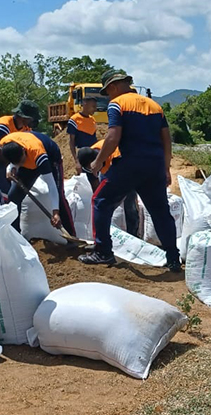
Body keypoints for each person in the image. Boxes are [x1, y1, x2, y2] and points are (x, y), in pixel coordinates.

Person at [80, 69, 180, 271]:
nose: (108, 96)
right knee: (160, 212)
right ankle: (173, 259)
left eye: (108, 92)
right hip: (154, 167)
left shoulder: (117, 104)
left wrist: (98, 161)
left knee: (100, 201)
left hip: (128, 165)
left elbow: (113, 137)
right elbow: (166, 140)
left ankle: (103, 252)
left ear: (113, 86)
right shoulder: (154, 106)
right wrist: (166, 167)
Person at [0, 131, 76, 237]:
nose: (22, 164)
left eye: (22, 161)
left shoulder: (39, 156)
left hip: (51, 158)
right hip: (29, 159)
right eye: (19, 163)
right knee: (14, 197)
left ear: (23, 150)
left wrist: (55, 212)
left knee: (59, 196)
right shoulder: (4, 144)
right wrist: (10, 168)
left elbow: (51, 185)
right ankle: (14, 236)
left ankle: (71, 236)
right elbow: (11, 162)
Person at [0, 101, 39, 204]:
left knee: (12, 189)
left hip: (7, 160)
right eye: (30, 118)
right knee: (3, 190)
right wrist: (12, 165)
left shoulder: (25, 128)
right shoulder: (3, 125)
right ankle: (5, 214)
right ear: (22, 117)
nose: (32, 121)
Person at [78, 142, 139, 237]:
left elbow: (124, 180)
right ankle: (105, 234)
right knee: (103, 205)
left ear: (97, 161)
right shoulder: (87, 157)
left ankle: (133, 233)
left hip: (126, 169)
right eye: (90, 169)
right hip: (107, 169)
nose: (93, 171)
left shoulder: (115, 154)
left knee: (129, 203)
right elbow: (96, 188)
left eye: (93, 168)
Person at [68, 96, 99, 189]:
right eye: (93, 106)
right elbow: (71, 141)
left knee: (96, 181)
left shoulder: (92, 120)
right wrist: (77, 161)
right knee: (85, 183)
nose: (95, 109)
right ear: (85, 104)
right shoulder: (74, 120)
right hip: (83, 156)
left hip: (93, 154)